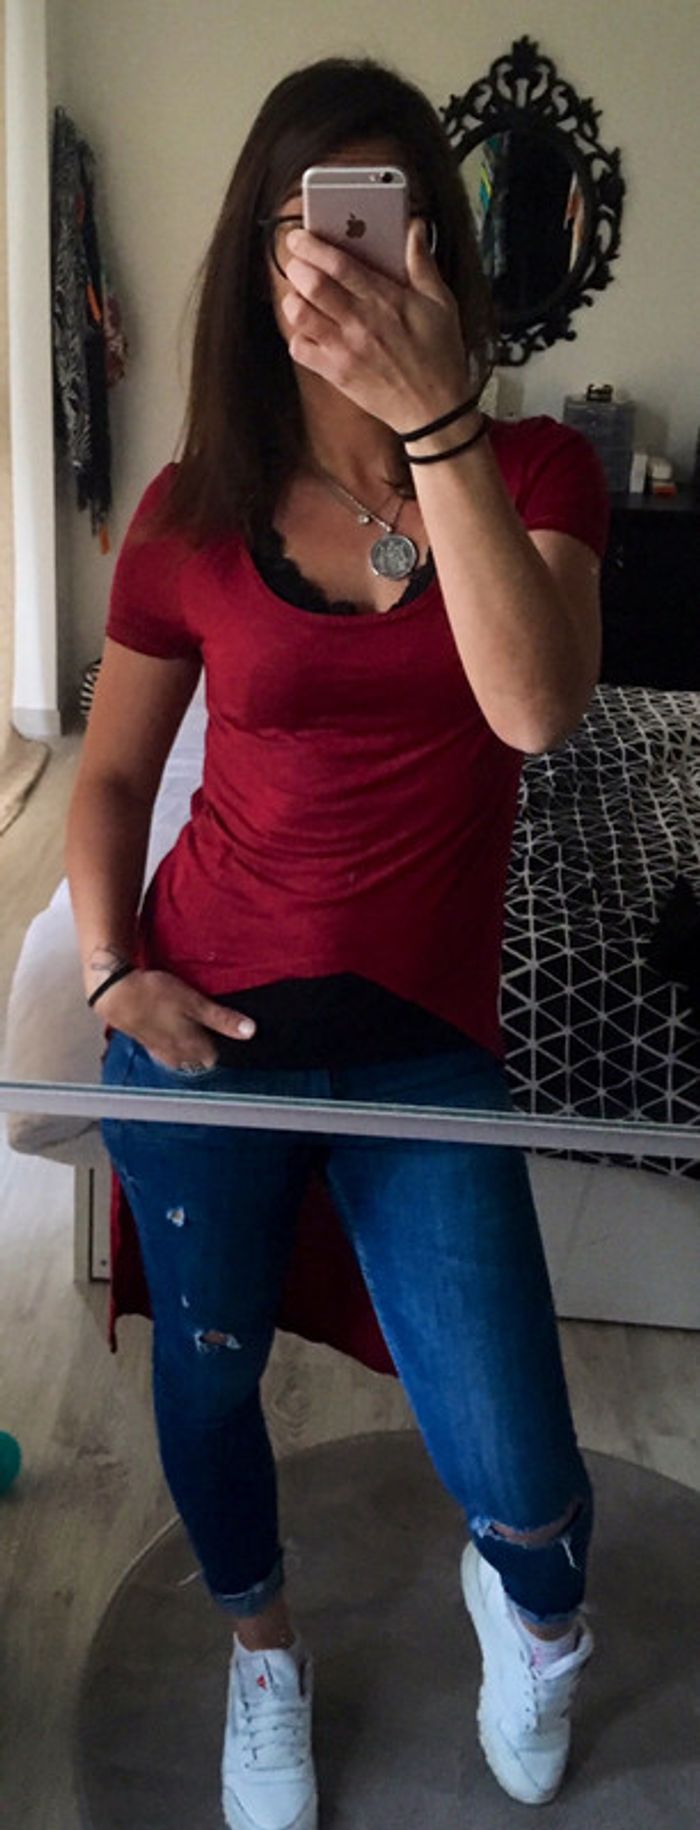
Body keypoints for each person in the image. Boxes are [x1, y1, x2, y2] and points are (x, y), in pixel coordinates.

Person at [66, 54, 610, 1830]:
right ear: (263, 259)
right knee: (210, 1378)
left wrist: (436, 420)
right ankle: (263, 1651)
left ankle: (532, 1614)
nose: (355, 269)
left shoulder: (536, 468)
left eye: (390, 228)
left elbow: (535, 709)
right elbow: (113, 774)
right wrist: (110, 969)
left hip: (417, 1037)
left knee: (524, 1466)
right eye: (316, 234)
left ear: (441, 250)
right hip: (204, 1016)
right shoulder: (190, 510)